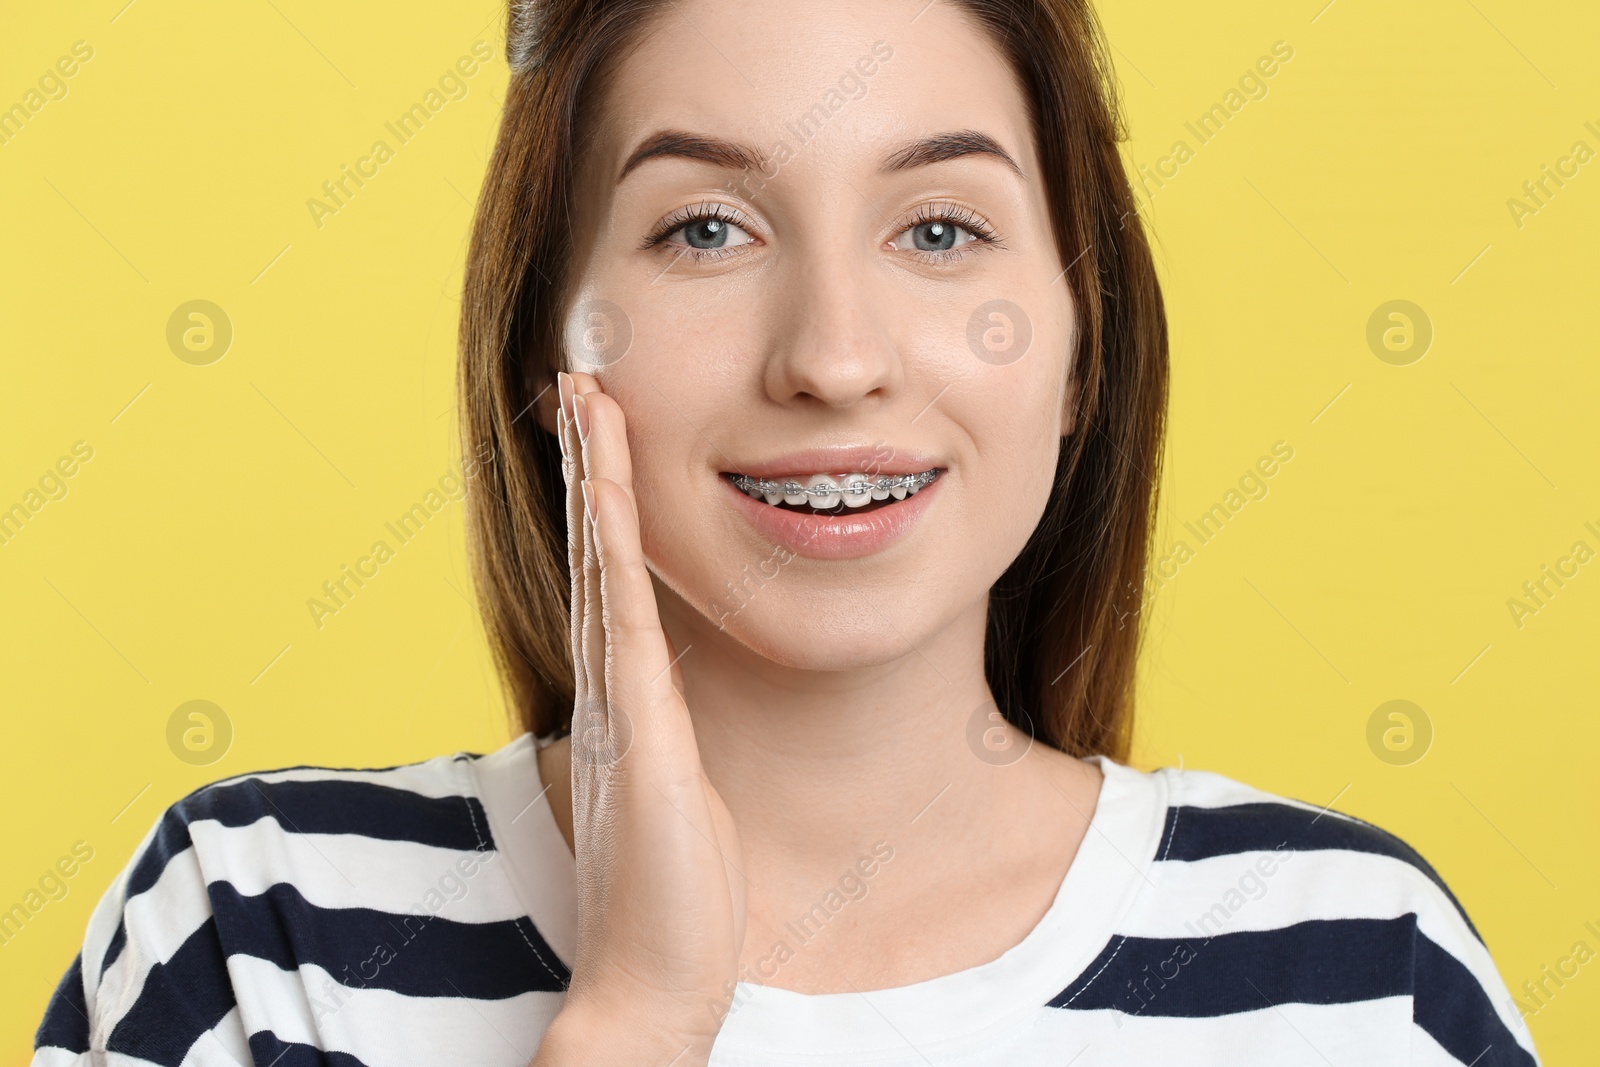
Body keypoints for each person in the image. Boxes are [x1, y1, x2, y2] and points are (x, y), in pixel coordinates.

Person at [32, 0, 1541, 1064]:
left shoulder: (1360, 978)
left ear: (1083, 353)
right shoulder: (258, 938)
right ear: (546, 361)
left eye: (940, 229)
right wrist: (631, 1023)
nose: (833, 354)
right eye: (705, 229)